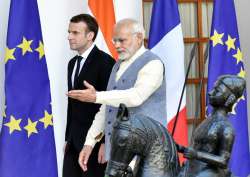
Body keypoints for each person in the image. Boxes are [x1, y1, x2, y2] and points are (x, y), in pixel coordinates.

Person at [67, 18, 167, 172]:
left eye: (122, 40)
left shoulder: (153, 63)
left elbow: (136, 96)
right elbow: (107, 108)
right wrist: (89, 143)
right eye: (115, 41)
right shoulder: (117, 65)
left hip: (147, 156)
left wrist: (96, 96)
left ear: (139, 38)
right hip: (118, 155)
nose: (117, 45)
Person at [63, 14, 115, 177]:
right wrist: (67, 138)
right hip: (73, 141)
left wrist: (106, 142)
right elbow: (72, 104)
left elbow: (112, 103)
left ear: (90, 35)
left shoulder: (106, 62)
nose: (69, 37)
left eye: (75, 33)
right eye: (69, 32)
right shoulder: (72, 63)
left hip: (95, 143)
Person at [177, 75, 246, 177]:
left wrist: (196, 154)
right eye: (213, 89)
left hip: (209, 173)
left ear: (230, 99)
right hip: (192, 167)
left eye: (217, 91)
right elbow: (199, 147)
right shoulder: (207, 121)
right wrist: (181, 148)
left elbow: (223, 160)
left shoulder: (227, 128)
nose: (210, 92)